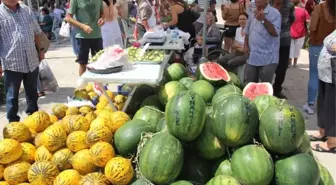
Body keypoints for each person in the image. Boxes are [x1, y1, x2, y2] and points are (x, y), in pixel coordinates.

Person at [0, 0, 45, 122]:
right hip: (12, 62)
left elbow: (36, 32)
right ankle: (13, 123)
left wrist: (41, 49)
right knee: (12, 96)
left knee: (32, 93)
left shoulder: (26, 10)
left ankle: (34, 120)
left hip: (31, 59)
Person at [303, 0, 336, 114]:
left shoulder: (319, 8)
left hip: (317, 45)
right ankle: (329, 106)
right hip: (333, 47)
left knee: (314, 75)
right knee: (331, 76)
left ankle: (311, 104)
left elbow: (312, 27)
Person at [310, 30, 336, 153]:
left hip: (333, 74)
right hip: (326, 73)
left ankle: (332, 142)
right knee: (323, 103)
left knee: (332, 107)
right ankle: (323, 131)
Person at [243, 0, 281, 84]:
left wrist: (263, 20)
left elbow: (275, 33)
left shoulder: (275, 13)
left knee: (265, 85)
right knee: (249, 83)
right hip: (252, 56)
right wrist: (245, 45)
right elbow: (247, 30)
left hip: (268, 58)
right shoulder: (252, 11)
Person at [65, 0, 105, 76]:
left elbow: (102, 13)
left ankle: (98, 86)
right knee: (83, 63)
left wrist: (102, 19)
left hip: (97, 35)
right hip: (82, 37)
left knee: (99, 63)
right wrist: (82, 26)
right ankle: (82, 86)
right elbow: (68, 18)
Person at [271, 0, 295, 99]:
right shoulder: (268, 3)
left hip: (284, 40)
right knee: (267, 66)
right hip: (269, 40)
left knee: (282, 68)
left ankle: (277, 89)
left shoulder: (290, 5)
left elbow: (292, 19)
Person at [289, 0, 310, 67]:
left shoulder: (289, 10)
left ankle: (289, 63)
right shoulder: (303, 11)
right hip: (301, 32)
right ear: (299, 2)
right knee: (297, 49)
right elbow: (308, 20)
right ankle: (295, 63)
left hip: (290, 32)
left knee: (290, 48)